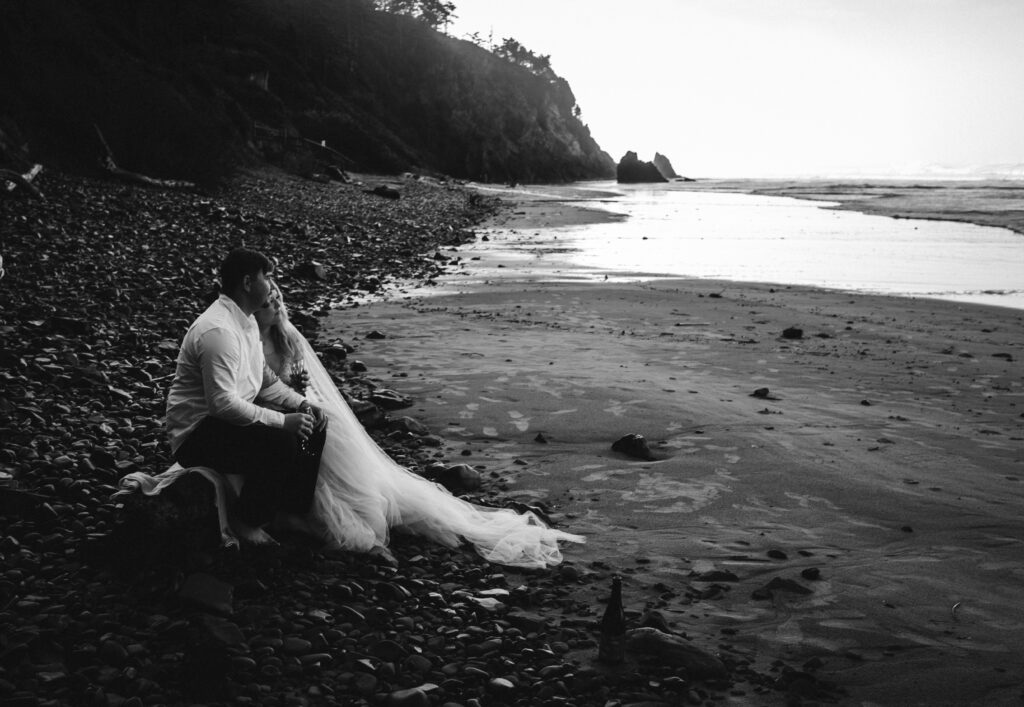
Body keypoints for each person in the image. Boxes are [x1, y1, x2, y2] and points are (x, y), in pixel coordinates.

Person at [254, 283, 585, 569]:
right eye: (268, 302)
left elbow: (303, 387)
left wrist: (298, 394)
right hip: (278, 415)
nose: (275, 307)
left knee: (334, 449)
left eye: (277, 301)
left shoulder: (289, 340)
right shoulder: (249, 341)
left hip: (296, 411)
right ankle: (295, 507)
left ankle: (317, 507)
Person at [165, 248, 328, 529]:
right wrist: (282, 421)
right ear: (247, 283)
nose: (272, 286)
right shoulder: (218, 330)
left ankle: (290, 510)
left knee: (315, 426)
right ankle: (249, 522)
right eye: (267, 277)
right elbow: (222, 404)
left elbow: (265, 381)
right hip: (198, 433)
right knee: (281, 442)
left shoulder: (247, 321)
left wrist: (300, 404)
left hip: (225, 422)